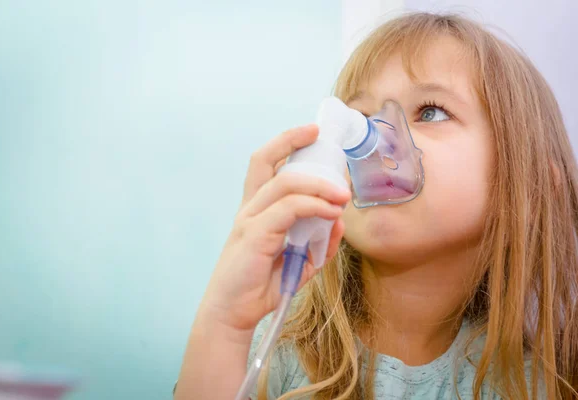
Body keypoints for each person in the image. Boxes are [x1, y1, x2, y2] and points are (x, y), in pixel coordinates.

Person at [175, 12, 578, 399]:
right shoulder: (276, 350)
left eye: (431, 112)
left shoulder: (537, 385)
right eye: (360, 115)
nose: (372, 139)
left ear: (533, 189)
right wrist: (225, 323)